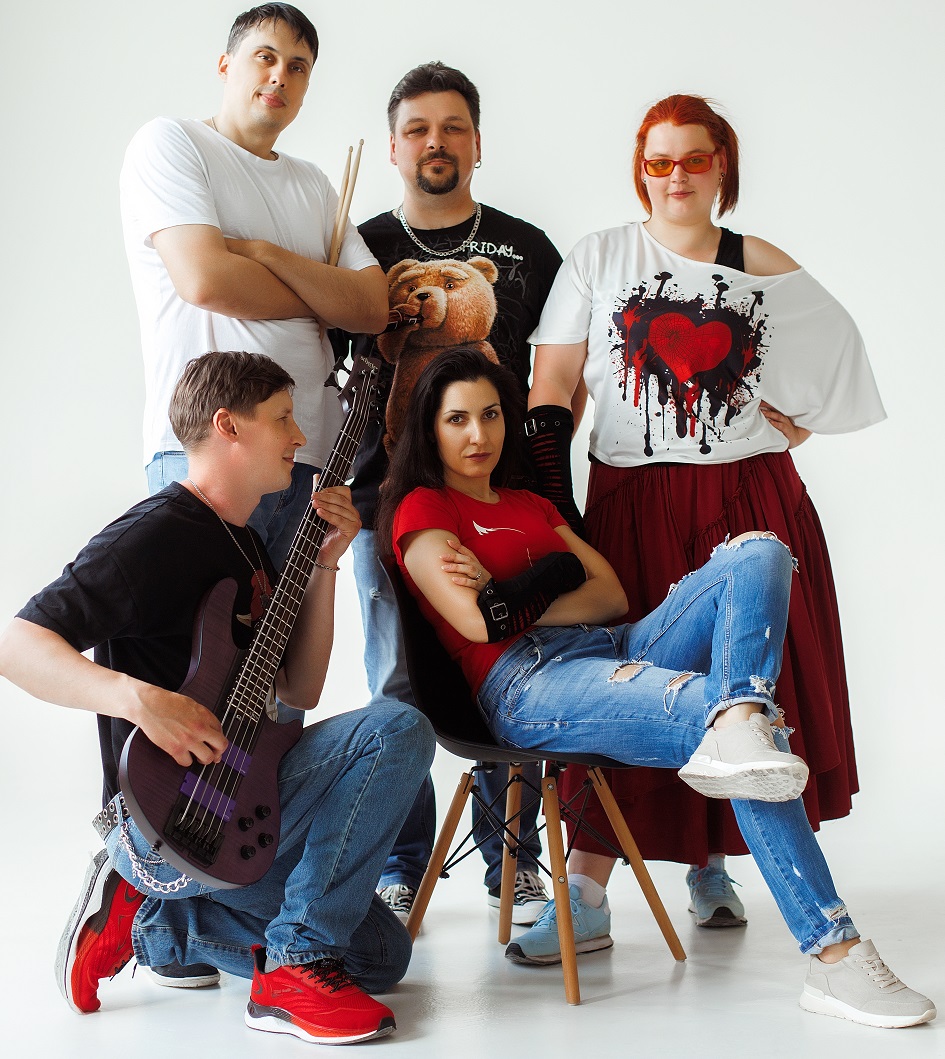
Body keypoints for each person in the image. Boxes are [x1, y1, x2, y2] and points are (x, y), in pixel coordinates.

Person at [377, 347, 933, 1030]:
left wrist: (518, 591)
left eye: (490, 415)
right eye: (457, 419)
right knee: (734, 732)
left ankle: (740, 713)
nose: (477, 434)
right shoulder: (422, 507)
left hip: (614, 645)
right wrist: (553, 574)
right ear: (429, 429)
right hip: (527, 683)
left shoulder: (528, 502)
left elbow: (609, 595)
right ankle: (833, 952)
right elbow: (478, 621)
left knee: (759, 550)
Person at [0, 351, 434, 1046]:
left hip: (241, 796)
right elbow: (16, 645)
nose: (299, 437)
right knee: (399, 726)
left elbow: (299, 687)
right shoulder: (151, 535)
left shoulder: (251, 547)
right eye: (283, 418)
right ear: (229, 426)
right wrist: (140, 700)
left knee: (384, 956)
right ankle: (291, 968)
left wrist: (324, 565)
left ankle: (155, 924)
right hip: (164, 815)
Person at [525, 93, 885, 931]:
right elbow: (552, 385)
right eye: (659, 161)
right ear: (639, 170)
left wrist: (797, 420)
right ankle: (584, 890)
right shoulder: (600, 255)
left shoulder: (757, 260)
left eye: (694, 159)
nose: (676, 176)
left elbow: (834, 353)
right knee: (624, 680)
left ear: (721, 165)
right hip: (629, 498)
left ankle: (710, 864)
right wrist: (550, 503)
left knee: (743, 689)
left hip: (745, 494)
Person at [117, 3, 386, 983]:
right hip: (207, 460)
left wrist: (265, 256)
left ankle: (219, 905)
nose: (280, 76)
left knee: (270, 715)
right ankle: (146, 891)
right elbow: (202, 279)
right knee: (196, 691)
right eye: (264, 56)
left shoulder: (311, 185)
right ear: (226, 63)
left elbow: (372, 307)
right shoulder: (171, 144)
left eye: (299, 64)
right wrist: (311, 283)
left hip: (303, 461)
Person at [332, 61, 564, 925]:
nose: (437, 142)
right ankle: (398, 862)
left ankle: (516, 864)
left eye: (453, 127)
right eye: (418, 129)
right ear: (393, 147)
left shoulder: (528, 249)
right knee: (396, 685)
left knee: (513, 669)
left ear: (476, 142)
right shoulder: (356, 250)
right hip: (383, 505)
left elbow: (560, 378)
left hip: (502, 500)